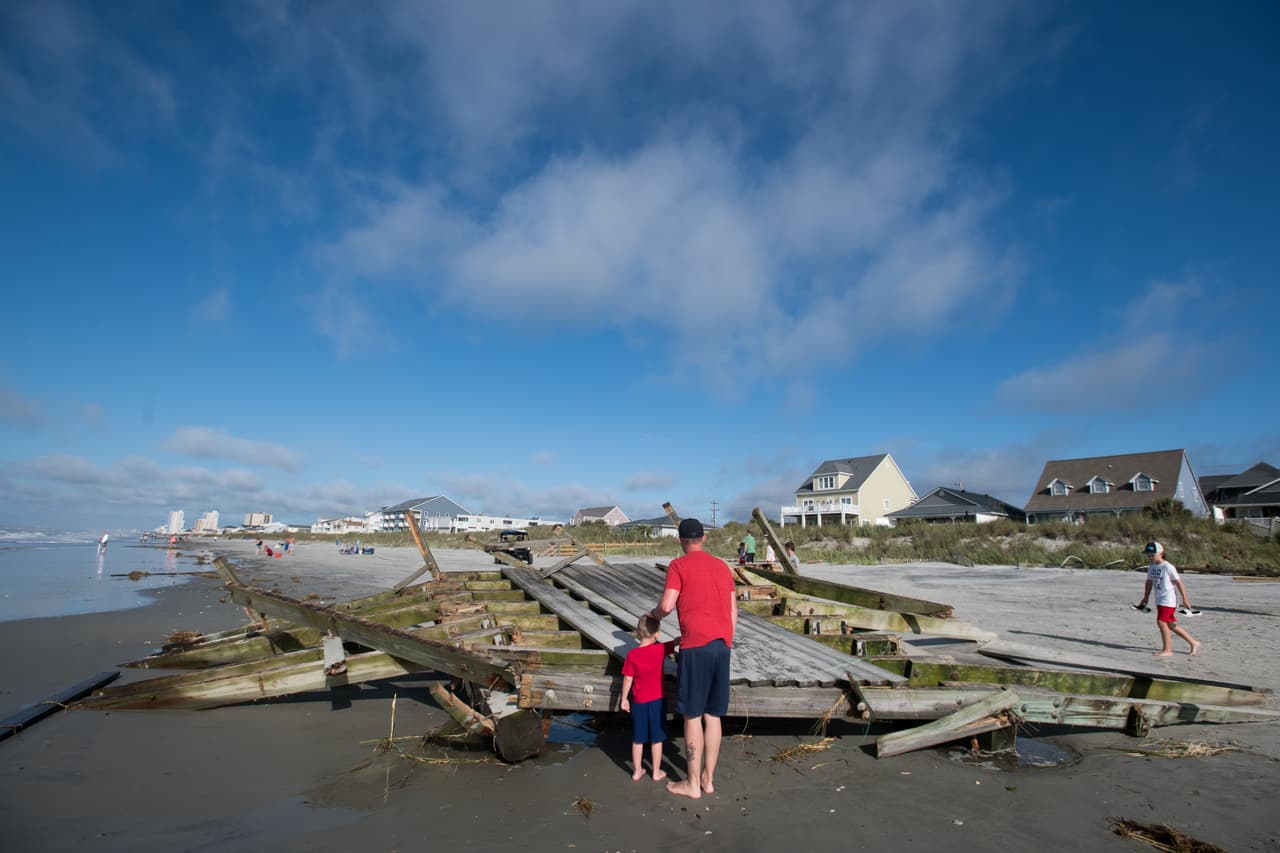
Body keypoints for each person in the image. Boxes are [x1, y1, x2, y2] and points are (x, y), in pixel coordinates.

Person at [647, 517, 737, 799]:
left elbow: (667, 604)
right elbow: (733, 611)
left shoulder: (678, 565)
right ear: (704, 538)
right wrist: (727, 639)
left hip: (695, 646)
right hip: (722, 645)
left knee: (692, 715)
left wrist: (653, 616)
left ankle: (692, 784)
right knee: (714, 715)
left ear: (680, 540)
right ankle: (709, 781)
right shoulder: (722, 567)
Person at [620, 615, 679, 782]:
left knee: (638, 738)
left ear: (638, 632)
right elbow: (675, 642)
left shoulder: (632, 656)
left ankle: (637, 771)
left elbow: (627, 679)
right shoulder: (659, 649)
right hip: (657, 700)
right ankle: (656, 772)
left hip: (639, 702)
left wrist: (624, 698)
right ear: (657, 634)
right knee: (656, 738)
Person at [1133, 541, 1201, 657]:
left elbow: (1179, 583)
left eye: (1152, 554)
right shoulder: (1152, 567)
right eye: (1148, 555)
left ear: (1161, 553)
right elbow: (1149, 582)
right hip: (1159, 599)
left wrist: (1185, 600)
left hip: (1169, 600)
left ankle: (1167, 649)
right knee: (1169, 624)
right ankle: (1194, 642)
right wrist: (1145, 598)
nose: (1150, 557)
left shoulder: (1168, 567)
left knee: (1161, 621)